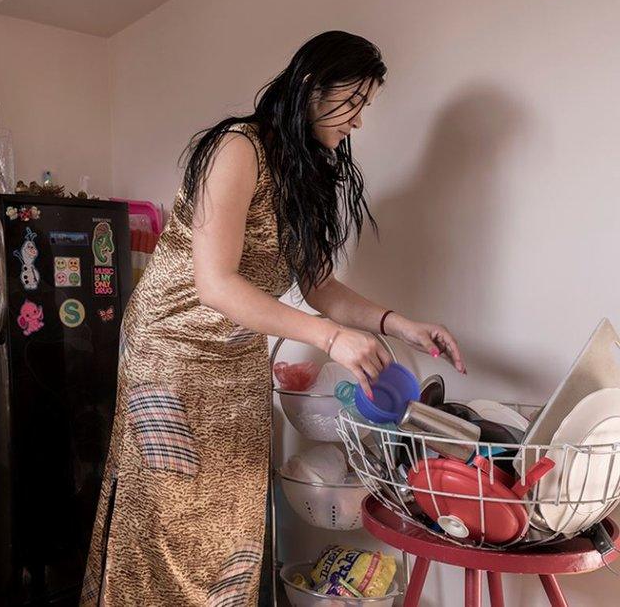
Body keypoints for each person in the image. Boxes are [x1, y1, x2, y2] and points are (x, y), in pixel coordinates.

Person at [80, 30, 465, 607]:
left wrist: (400, 324)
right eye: (353, 101)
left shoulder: (309, 170)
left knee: (232, 509)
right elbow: (215, 283)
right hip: (171, 351)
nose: (359, 120)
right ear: (312, 87)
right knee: (169, 512)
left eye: (367, 106)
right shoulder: (238, 148)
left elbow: (320, 287)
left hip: (237, 352)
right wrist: (331, 338)